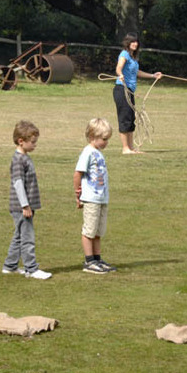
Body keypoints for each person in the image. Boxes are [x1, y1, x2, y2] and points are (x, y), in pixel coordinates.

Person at [2, 120, 52, 279]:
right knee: (27, 238)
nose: (35, 145)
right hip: (21, 207)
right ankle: (31, 268)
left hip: (26, 206)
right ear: (21, 141)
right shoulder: (18, 160)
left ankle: (10, 266)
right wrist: (25, 206)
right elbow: (18, 184)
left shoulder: (25, 157)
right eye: (33, 142)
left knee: (19, 236)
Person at [74, 117, 116, 274]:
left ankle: (97, 259)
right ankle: (89, 261)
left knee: (99, 231)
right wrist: (78, 194)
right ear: (92, 137)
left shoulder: (98, 153)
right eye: (104, 139)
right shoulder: (87, 153)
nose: (106, 142)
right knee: (89, 231)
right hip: (91, 198)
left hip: (101, 199)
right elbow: (78, 173)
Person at [113, 33, 162, 154]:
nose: (135, 44)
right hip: (121, 89)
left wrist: (152, 76)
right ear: (128, 43)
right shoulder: (124, 54)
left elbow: (136, 72)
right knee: (124, 118)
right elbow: (119, 67)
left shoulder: (133, 58)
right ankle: (125, 148)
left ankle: (131, 148)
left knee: (130, 118)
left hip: (130, 91)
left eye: (136, 42)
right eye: (132, 42)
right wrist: (120, 74)